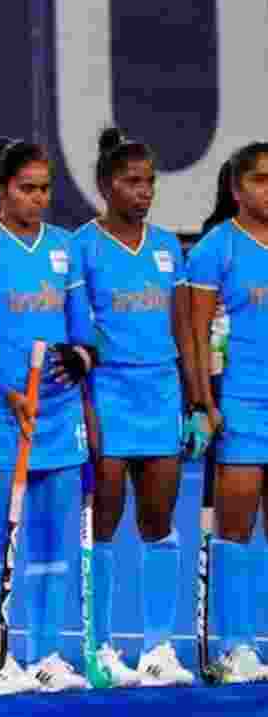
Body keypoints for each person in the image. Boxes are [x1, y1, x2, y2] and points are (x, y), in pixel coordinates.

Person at [0, 136, 91, 695]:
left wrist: (81, 357)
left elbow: (81, 328)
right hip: (2, 410)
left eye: (44, 189)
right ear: (2, 189)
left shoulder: (63, 246)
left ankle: (48, 654)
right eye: (26, 189)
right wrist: (6, 389)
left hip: (58, 412)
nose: (37, 199)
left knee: (54, 538)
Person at [66, 127, 204, 688]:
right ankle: (99, 648)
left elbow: (183, 330)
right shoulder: (82, 246)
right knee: (104, 520)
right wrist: (87, 411)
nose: (144, 191)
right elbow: (77, 334)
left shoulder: (169, 246)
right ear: (105, 186)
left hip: (162, 395)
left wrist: (197, 399)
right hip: (108, 395)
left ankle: (157, 648)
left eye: (149, 181)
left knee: (159, 520)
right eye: (131, 181)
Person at [187, 141, 268, 683]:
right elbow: (195, 337)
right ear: (238, 189)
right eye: (261, 179)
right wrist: (202, 402)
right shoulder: (217, 249)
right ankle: (238, 646)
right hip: (241, 403)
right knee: (235, 530)